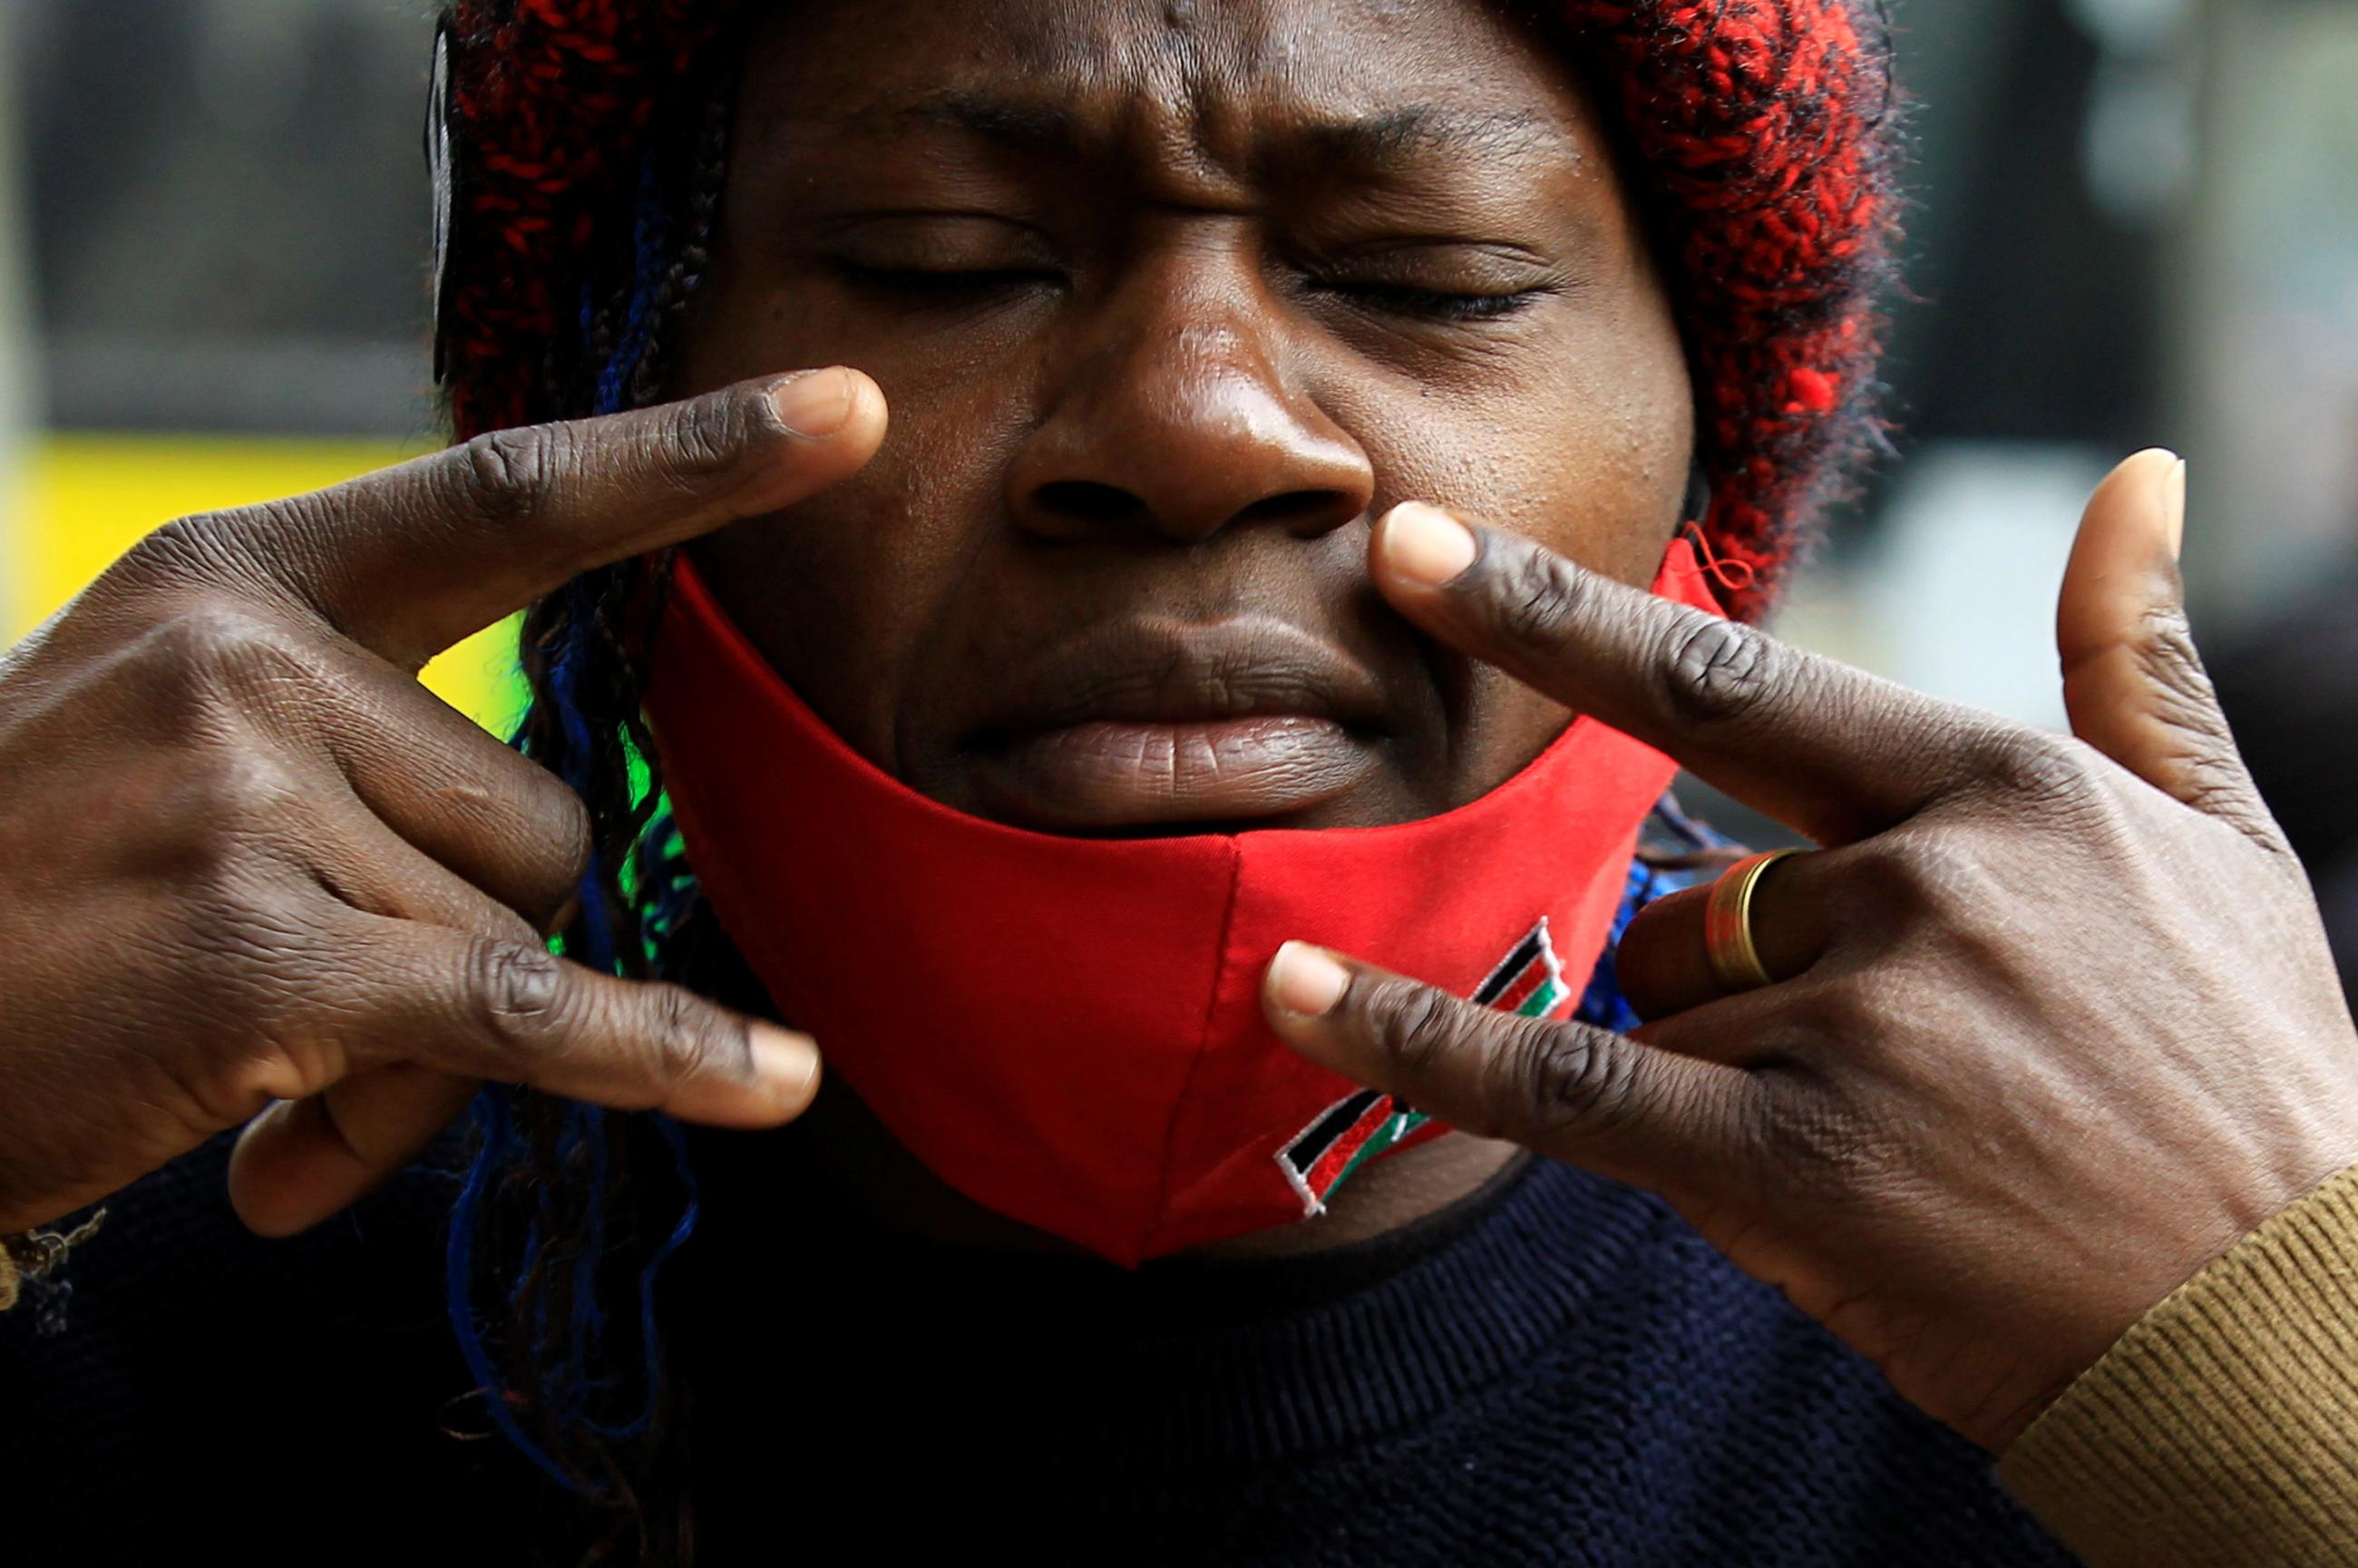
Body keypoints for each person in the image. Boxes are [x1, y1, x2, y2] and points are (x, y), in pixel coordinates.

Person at [4, 1, 2356, 1563]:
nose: (1197, 420)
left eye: (1425, 277)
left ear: (1706, 476)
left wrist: (2286, 1382)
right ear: (598, 378)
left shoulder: (2149, 1296)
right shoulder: (145, 1248)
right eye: (946, 256)